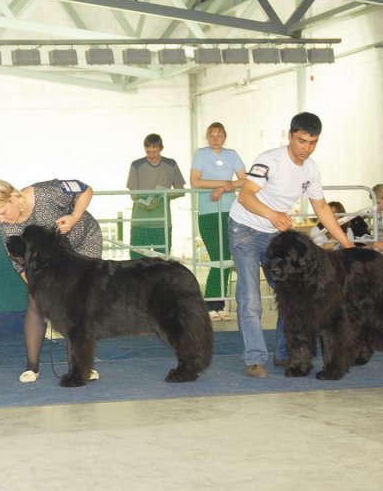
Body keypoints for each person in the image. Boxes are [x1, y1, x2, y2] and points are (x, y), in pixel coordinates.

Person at [228, 112, 354, 379]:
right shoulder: (269, 160)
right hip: (245, 231)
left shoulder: (311, 169)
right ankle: (254, 359)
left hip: (276, 235)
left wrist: (347, 244)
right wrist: (273, 214)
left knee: (294, 295)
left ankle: (285, 353)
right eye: (301, 141)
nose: (306, 148)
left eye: (312, 142)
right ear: (290, 135)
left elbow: (321, 207)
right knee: (250, 298)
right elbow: (244, 196)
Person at [0, 179, 103, 383]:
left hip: (83, 241)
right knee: (35, 301)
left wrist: (74, 217)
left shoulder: (46, 193)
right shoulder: (7, 228)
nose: (1, 220)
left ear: (13, 198)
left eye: (2, 213)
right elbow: (20, 264)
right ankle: (32, 367)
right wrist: (39, 289)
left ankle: (83, 367)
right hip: (48, 260)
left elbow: (85, 189)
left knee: (79, 305)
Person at [190, 122, 246, 318]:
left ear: (224, 137)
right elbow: (195, 181)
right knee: (217, 256)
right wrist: (223, 183)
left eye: (219, 135)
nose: (215, 138)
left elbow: (245, 179)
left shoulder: (231, 154)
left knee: (228, 257)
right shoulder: (201, 154)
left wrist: (224, 188)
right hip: (208, 213)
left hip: (231, 212)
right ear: (207, 137)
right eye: (212, 135)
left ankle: (219, 305)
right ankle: (212, 305)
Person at [126, 133, 185, 259]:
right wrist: (144, 202)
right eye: (148, 152)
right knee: (137, 262)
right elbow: (133, 194)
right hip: (140, 223)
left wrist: (165, 195)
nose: (152, 155)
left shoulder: (171, 164)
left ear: (161, 148)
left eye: (155, 152)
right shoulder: (136, 165)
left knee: (162, 263)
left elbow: (181, 190)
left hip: (162, 223)